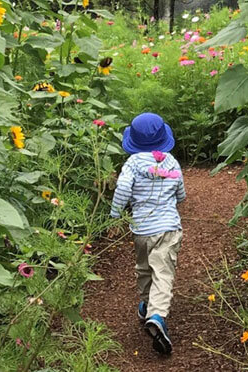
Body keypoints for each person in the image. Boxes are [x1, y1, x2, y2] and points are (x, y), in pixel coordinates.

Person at [110, 112, 186, 354]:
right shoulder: (171, 162)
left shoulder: (132, 165)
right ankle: (157, 314)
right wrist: (176, 198)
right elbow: (181, 192)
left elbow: (122, 189)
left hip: (141, 229)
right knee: (163, 271)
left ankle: (145, 304)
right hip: (167, 228)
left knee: (144, 268)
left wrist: (115, 214)